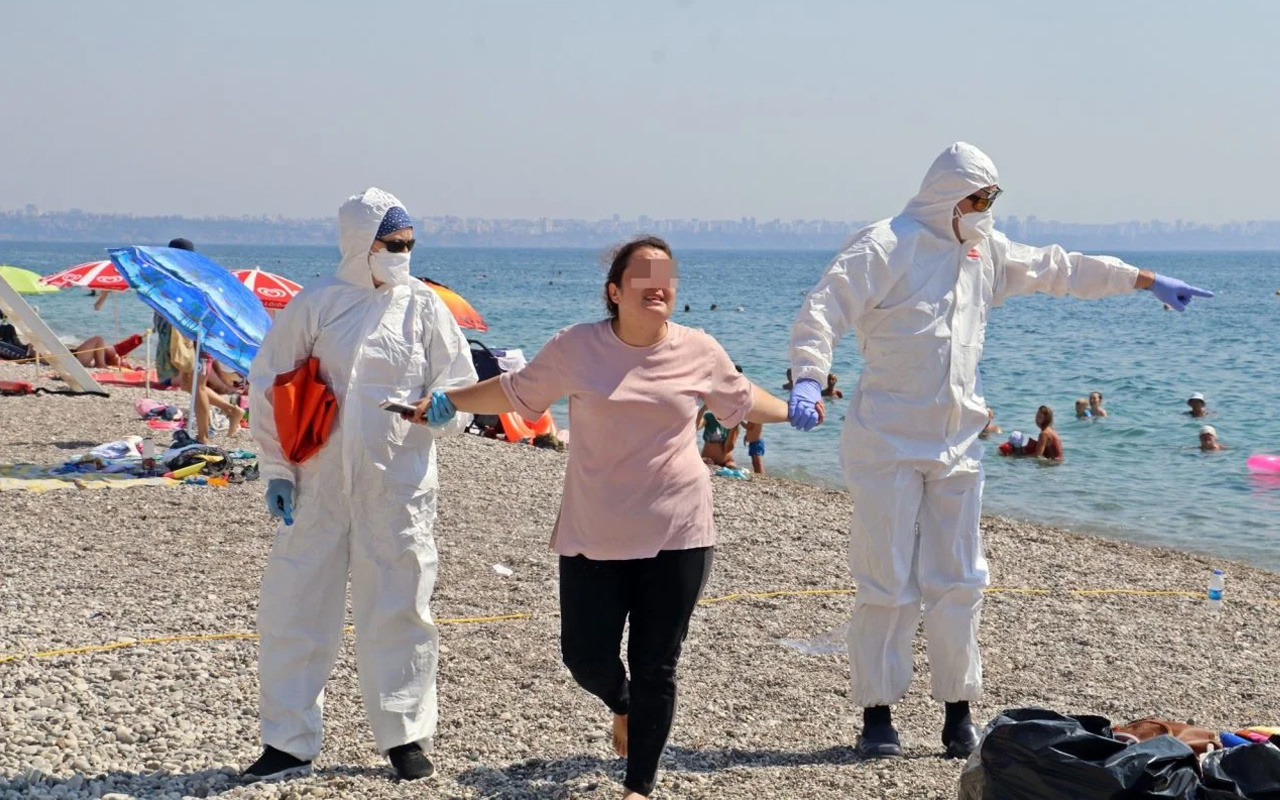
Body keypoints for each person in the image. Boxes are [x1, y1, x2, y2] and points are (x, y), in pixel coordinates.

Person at [786, 142, 1212, 759]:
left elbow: (1060, 269)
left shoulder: (985, 252)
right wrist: (807, 374)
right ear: (946, 194)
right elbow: (825, 308)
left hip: (958, 442)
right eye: (977, 197)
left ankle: (958, 711)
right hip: (885, 440)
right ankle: (877, 714)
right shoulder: (887, 243)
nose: (985, 208)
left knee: (960, 579)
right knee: (885, 578)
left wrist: (1144, 280)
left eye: (991, 198)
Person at [415, 236, 792, 799]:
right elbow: (518, 393)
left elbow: (741, 399)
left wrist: (799, 408)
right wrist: (455, 399)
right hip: (595, 530)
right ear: (615, 292)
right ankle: (622, 703)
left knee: (657, 664)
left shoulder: (700, 350)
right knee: (585, 657)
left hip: (678, 531)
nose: (658, 284)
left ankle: (638, 786)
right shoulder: (576, 347)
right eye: (642, 275)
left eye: (667, 275)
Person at [245, 189, 477, 783]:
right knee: (295, 607)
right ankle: (288, 741)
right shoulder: (317, 304)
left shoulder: (424, 307)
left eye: (409, 245)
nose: (403, 255)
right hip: (315, 484)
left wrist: (448, 410)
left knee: (401, 606)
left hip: (398, 486)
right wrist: (275, 469)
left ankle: (405, 736)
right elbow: (270, 384)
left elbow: (462, 386)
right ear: (359, 245)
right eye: (392, 245)